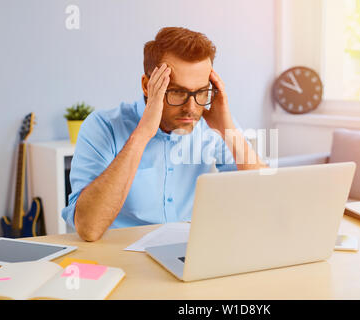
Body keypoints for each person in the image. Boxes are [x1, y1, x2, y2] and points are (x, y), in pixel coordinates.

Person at [62, 27, 268, 242]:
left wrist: (228, 130)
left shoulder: (212, 123)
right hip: (121, 255)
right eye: (178, 92)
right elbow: (89, 228)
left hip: (190, 251)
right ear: (146, 85)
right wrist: (142, 134)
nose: (191, 107)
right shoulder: (102, 127)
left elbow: (266, 199)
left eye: (201, 92)